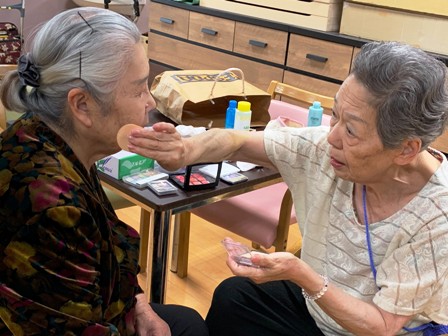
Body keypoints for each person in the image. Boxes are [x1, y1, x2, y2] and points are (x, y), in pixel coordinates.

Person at [123, 41, 448, 335]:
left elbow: (381, 326)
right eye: (334, 115)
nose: (331, 137)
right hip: (319, 306)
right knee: (233, 298)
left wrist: (300, 273)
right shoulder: (326, 149)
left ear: (406, 149)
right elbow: (237, 141)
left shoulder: (436, 214)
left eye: (350, 130)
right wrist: (186, 150)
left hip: (373, 328)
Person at [0, 7, 208, 336]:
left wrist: (139, 303)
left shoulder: (45, 133)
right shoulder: (55, 210)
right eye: (139, 89)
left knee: (188, 321)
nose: (150, 102)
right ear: (82, 105)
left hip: (95, 303)